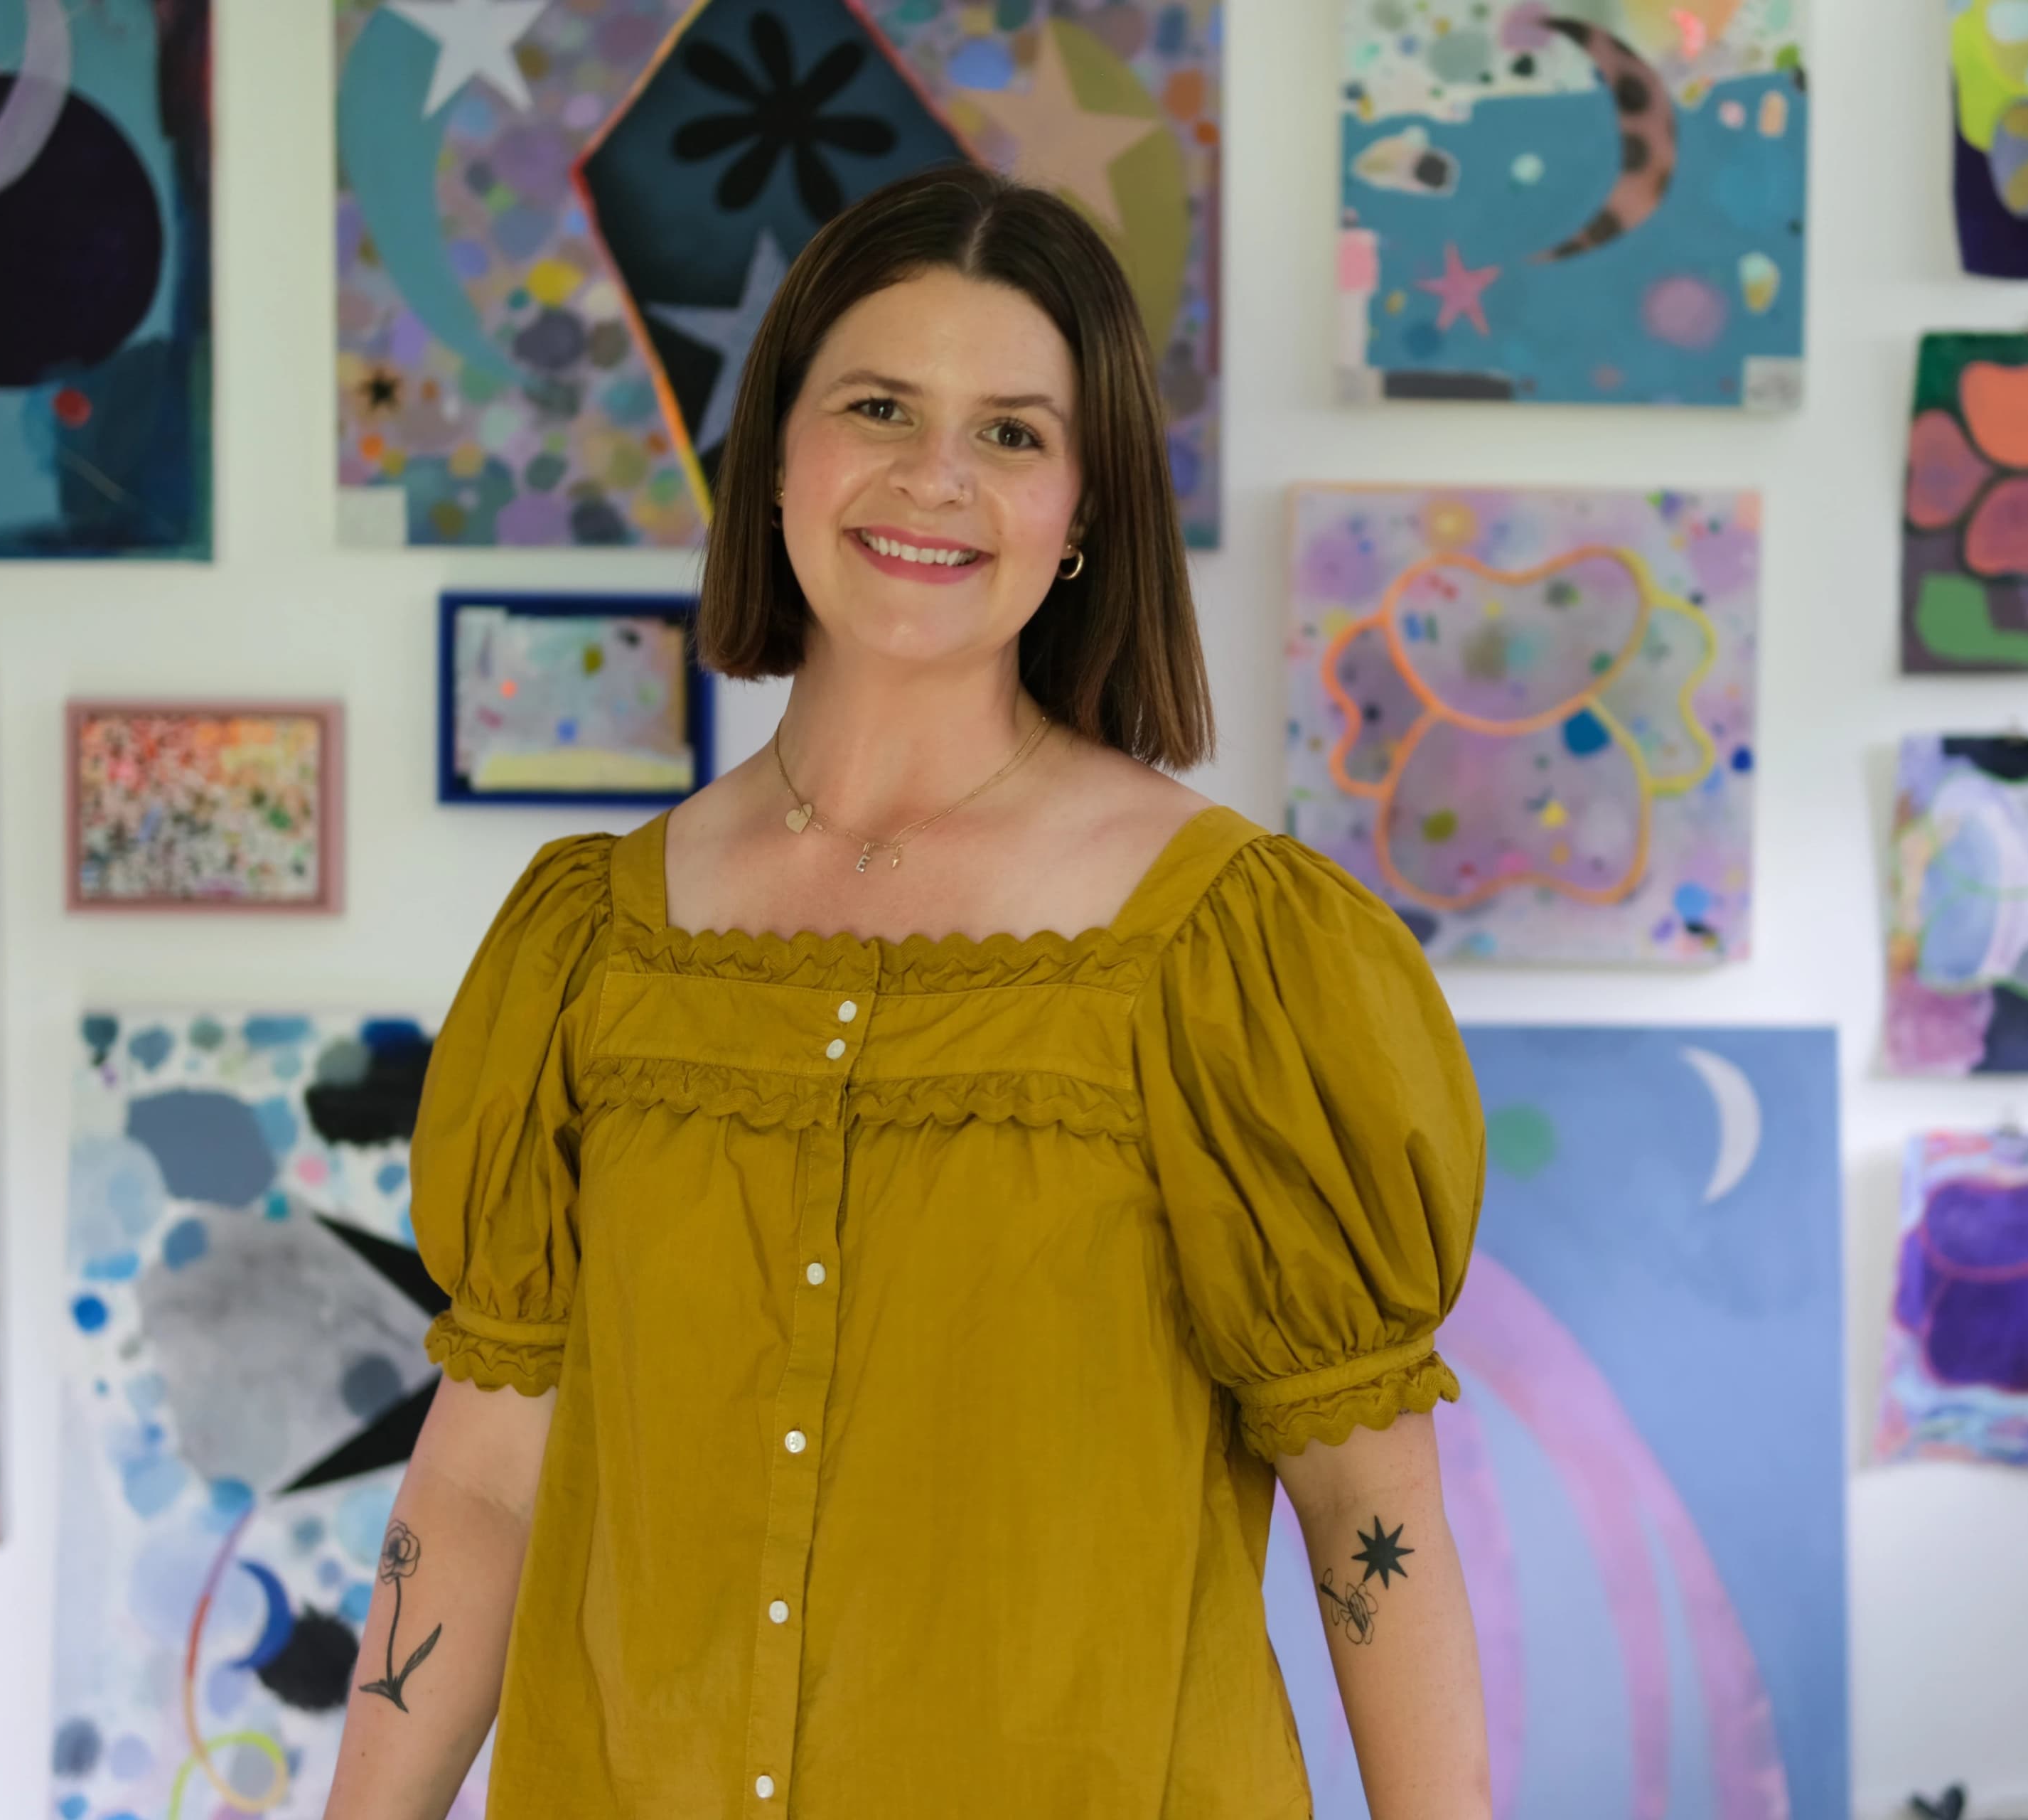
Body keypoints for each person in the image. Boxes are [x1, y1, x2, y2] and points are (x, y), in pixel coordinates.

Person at [323, 165, 1491, 1820]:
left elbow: (1372, 1506)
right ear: (779, 452)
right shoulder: (589, 938)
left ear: (1085, 510)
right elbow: (482, 1482)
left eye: (1013, 431)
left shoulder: (1235, 952)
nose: (933, 476)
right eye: (880, 405)